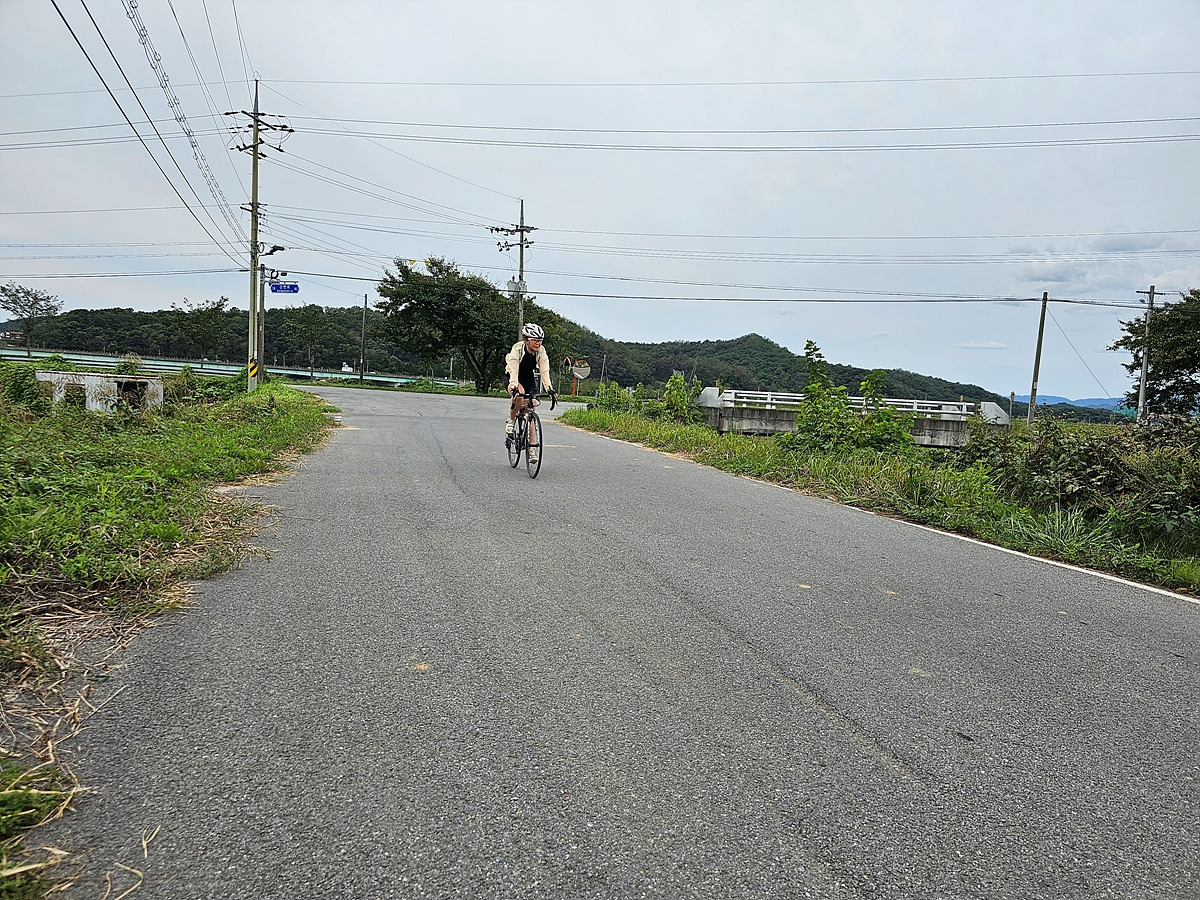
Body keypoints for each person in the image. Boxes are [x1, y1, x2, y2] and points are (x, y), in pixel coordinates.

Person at [504, 323, 556, 461]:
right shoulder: (517, 349)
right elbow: (513, 368)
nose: (538, 343)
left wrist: (549, 388)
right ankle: (511, 420)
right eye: (535, 340)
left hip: (528, 377)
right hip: (513, 375)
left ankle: (531, 450)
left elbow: (544, 371)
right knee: (519, 394)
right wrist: (513, 384)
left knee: (532, 407)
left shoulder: (541, 351)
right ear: (526, 340)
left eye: (540, 340)